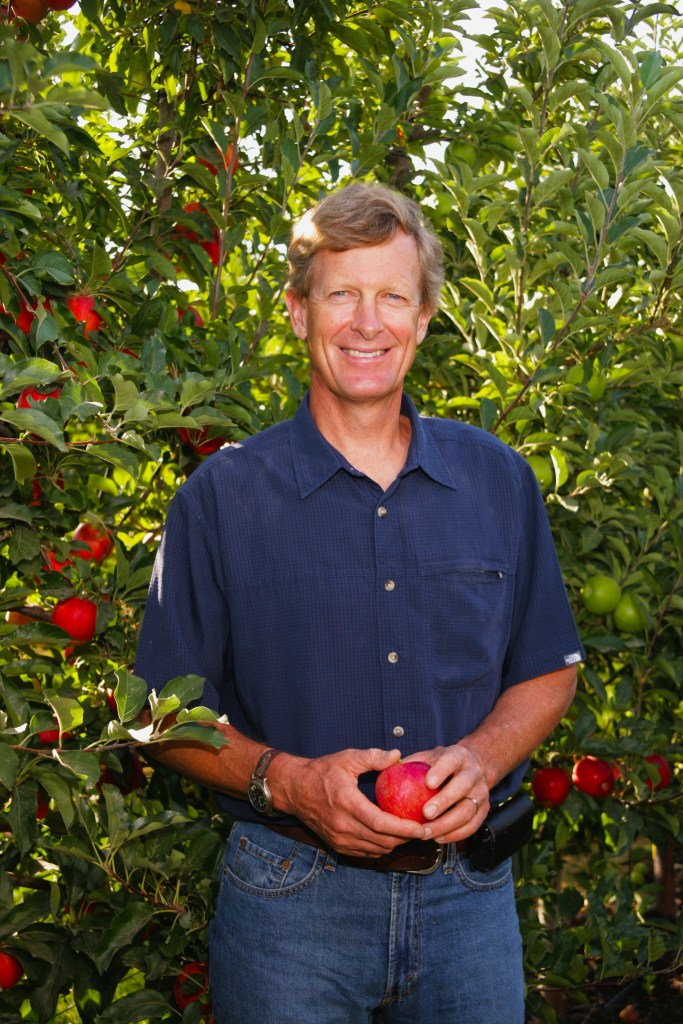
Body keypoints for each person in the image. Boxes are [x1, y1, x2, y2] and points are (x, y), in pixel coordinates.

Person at [135, 182, 584, 1024]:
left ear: (423, 318)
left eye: (391, 296)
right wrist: (291, 782)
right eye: (341, 293)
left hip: (469, 902)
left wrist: (484, 761)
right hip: (287, 905)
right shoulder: (222, 497)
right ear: (300, 313)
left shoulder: (497, 481)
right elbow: (162, 714)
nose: (366, 322)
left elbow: (547, 669)